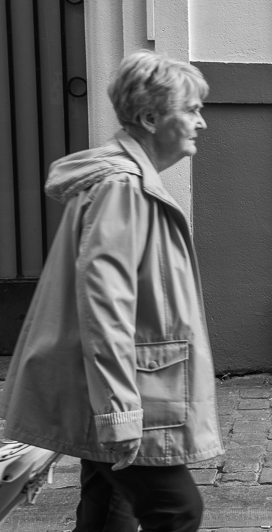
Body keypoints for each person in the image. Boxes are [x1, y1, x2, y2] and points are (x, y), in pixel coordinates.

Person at [0, 51, 222, 532]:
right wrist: (120, 415)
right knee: (177, 510)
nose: (201, 122)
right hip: (129, 395)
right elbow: (105, 308)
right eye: (191, 110)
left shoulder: (123, 183)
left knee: (109, 516)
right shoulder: (122, 188)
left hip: (112, 391)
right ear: (150, 118)